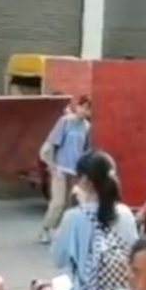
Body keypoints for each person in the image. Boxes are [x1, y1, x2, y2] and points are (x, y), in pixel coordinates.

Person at [52, 151, 138, 290]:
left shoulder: (73, 217)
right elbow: (134, 253)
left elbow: (58, 259)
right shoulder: (126, 214)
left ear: (85, 180)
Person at [39, 96, 92, 244]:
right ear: (77, 107)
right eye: (83, 107)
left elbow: (86, 150)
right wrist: (51, 165)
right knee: (58, 202)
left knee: (69, 203)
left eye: (88, 109)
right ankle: (46, 228)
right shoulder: (65, 121)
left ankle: (60, 230)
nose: (84, 111)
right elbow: (52, 143)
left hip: (75, 170)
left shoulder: (87, 127)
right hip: (60, 168)